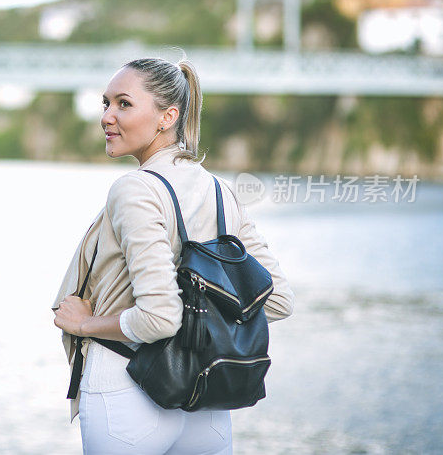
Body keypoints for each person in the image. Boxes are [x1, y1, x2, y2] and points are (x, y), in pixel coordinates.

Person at [52, 57, 295, 454]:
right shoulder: (220, 192)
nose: (107, 117)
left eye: (124, 104)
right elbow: (278, 300)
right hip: (205, 395)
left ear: (167, 117)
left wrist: (86, 324)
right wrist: (203, 319)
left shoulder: (136, 189)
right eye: (105, 103)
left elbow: (160, 317)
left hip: (127, 386)